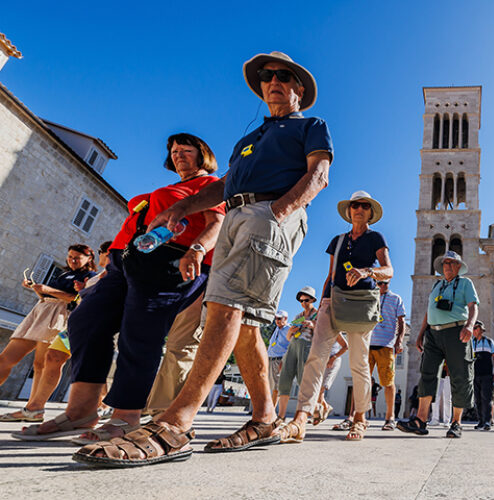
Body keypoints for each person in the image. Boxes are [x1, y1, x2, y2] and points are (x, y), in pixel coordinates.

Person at [72, 52, 332, 466]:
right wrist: (182, 208)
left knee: (225, 308)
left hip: (269, 212)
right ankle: (265, 419)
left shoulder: (310, 126)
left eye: (284, 75)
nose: (274, 81)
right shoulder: (250, 139)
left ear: (298, 88)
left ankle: (176, 423)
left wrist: (277, 212)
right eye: (267, 75)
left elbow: (319, 175)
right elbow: (224, 185)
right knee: (245, 323)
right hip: (237, 214)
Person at [16, 134, 224, 446]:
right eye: (174, 151)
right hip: (123, 261)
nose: (178, 154)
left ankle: (126, 417)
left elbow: (216, 223)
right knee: (85, 320)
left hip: (169, 260)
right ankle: (81, 410)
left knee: (140, 333)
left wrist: (197, 249)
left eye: (186, 150)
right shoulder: (169, 187)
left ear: (203, 154)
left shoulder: (208, 185)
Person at [277, 190, 393, 443]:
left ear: (370, 212)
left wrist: (366, 272)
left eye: (364, 206)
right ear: (349, 211)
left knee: (359, 362)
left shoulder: (376, 238)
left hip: (361, 304)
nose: (359, 209)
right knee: (316, 357)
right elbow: (330, 275)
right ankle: (301, 418)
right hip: (333, 301)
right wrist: (322, 305)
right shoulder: (338, 241)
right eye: (355, 205)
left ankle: (360, 417)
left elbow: (388, 270)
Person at [0, 244, 98, 422]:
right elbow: (50, 295)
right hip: (40, 310)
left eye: (77, 257)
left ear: (89, 258)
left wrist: (47, 289)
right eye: (70, 256)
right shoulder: (64, 274)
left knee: (42, 365)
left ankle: (33, 409)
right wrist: (38, 289)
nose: (72, 260)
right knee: (6, 359)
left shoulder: (90, 276)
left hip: (60, 314)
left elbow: (77, 298)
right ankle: (33, 410)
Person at [398, 250, 479, 439]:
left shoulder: (466, 283)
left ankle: (456, 423)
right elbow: (429, 311)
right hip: (433, 334)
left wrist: (469, 325)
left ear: (458, 266)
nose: (447, 266)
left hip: (456, 332)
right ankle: (420, 420)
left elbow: (473, 306)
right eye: (445, 263)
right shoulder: (437, 285)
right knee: (427, 374)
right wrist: (420, 334)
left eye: (451, 263)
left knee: (460, 375)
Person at [368, 279, 406, 430]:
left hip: (387, 345)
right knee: (361, 381)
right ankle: (353, 416)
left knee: (388, 382)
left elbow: (401, 322)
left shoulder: (396, 299)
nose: (383, 285)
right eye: (379, 283)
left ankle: (390, 418)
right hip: (367, 344)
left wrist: (399, 341)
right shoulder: (369, 297)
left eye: (386, 282)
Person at [275, 287, 318, 420]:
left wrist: (313, 325)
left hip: (307, 346)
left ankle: (315, 408)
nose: (303, 303)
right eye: (301, 300)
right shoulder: (298, 316)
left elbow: (322, 336)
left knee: (302, 381)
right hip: (293, 346)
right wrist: (291, 331)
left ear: (313, 300)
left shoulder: (318, 315)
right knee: (284, 380)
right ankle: (281, 416)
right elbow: (289, 338)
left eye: (306, 300)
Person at [314, 331, 347, 425]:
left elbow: (346, 347)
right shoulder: (320, 330)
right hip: (321, 361)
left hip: (332, 361)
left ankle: (318, 414)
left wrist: (333, 359)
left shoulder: (336, 331)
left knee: (322, 388)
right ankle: (326, 407)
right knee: (318, 388)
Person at [472, 321, 494, 431]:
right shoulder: (471, 343)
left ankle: (487, 421)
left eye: (475, 328)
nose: (473, 331)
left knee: (487, 398)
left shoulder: (489, 341)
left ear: (480, 330)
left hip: (487, 374)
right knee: (477, 399)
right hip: (475, 374)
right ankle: (481, 421)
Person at [266, 310, 290, 411]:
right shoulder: (277, 329)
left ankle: (271, 411)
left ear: (285, 319)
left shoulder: (288, 329)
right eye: (276, 318)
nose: (277, 320)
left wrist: (284, 361)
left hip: (279, 360)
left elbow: (291, 346)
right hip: (270, 360)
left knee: (277, 387)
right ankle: (268, 409)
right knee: (269, 386)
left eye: (279, 318)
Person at [430, 362, 451, 427]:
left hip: (448, 374)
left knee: (447, 398)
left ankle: (447, 421)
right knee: (435, 397)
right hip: (437, 374)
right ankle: (434, 419)